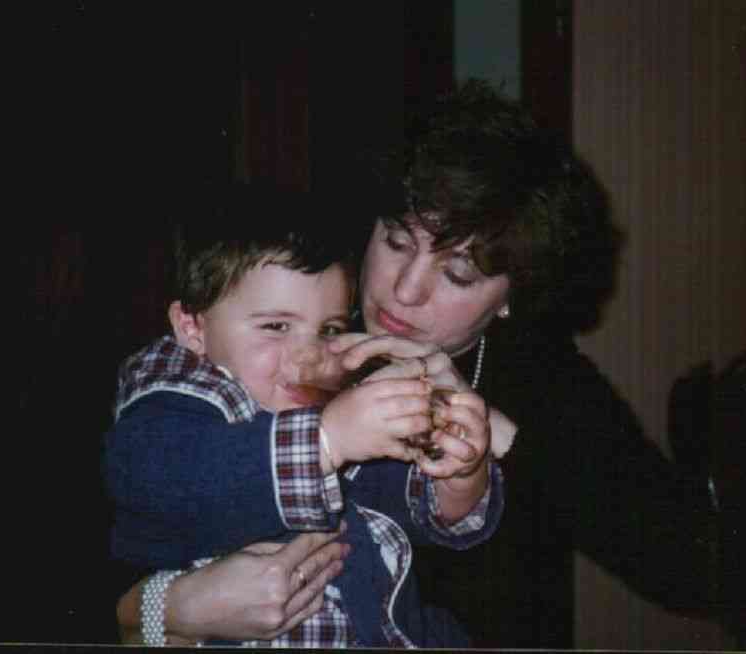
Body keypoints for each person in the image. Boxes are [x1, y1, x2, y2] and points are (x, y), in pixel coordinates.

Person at [114, 80, 720, 648]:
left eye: (458, 274)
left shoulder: (548, 384)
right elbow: (105, 545)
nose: (405, 290)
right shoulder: (282, 316)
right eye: (397, 241)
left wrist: (489, 439)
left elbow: (696, 572)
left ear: (511, 295)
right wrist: (170, 606)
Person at [102, 186, 503, 647]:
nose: (307, 354)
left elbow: (395, 492)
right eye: (276, 326)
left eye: (328, 330)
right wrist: (327, 441)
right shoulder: (173, 392)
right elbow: (163, 480)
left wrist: (458, 475)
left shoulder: (327, 397)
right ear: (192, 327)